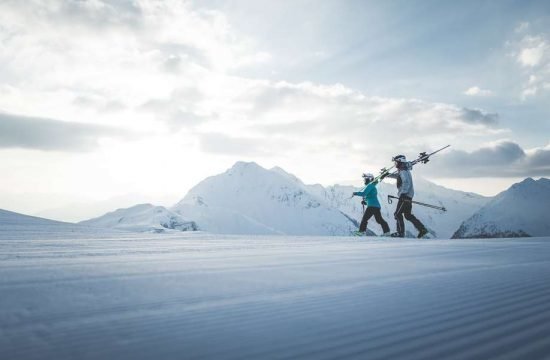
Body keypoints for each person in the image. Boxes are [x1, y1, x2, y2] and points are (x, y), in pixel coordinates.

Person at [387, 155, 428, 238]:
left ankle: (400, 233)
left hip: (404, 196)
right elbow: (398, 177)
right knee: (408, 215)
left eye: (396, 162)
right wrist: (388, 175)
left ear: (400, 162)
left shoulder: (403, 171)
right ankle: (422, 229)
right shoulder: (403, 170)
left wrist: (403, 194)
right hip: (408, 196)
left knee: (397, 214)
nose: (395, 164)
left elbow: (406, 183)